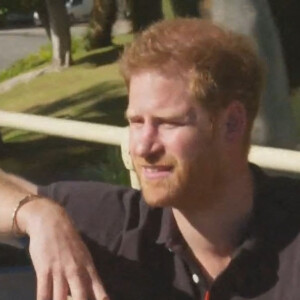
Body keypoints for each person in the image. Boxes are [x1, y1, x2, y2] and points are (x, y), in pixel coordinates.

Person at [1, 18, 300, 300]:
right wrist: (39, 216)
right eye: (136, 122)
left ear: (231, 124)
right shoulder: (115, 224)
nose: (142, 147)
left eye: (168, 123)